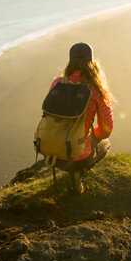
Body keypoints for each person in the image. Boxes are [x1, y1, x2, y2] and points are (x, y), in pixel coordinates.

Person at [49, 42, 114, 193]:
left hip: (54, 151)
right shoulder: (96, 88)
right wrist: (93, 137)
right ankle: (79, 171)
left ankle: (71, 168)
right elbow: (106, 129)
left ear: (70, 61)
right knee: (105, 143)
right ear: (92, 62)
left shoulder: (57, 83)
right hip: (79, 156)